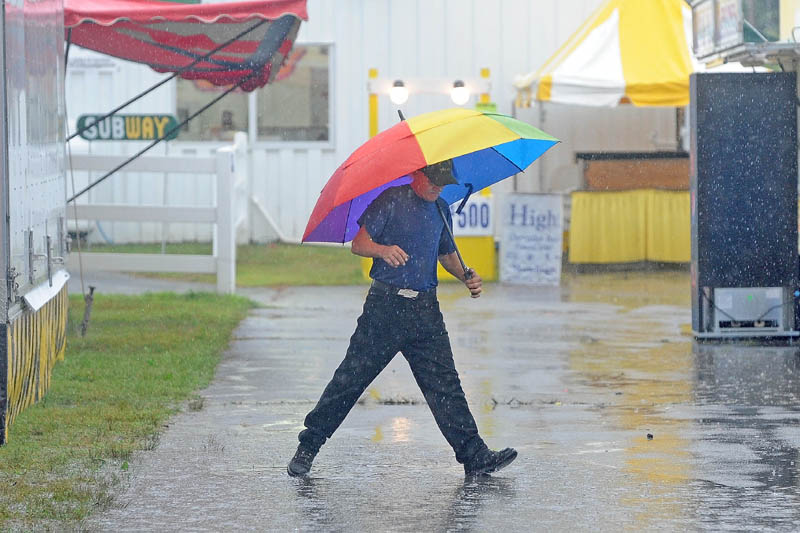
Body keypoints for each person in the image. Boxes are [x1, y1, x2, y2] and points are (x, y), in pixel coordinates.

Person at [287, 159, 517, 477]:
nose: (438, 186)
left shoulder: (440, 209)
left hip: (426, 312)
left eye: (443, 182)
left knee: (445, 386)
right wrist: (382, 250)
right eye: (433, 179)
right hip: (385, 309)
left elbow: (446, 253)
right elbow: (359, 244)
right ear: (416, 174)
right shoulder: (391, 200)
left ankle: (474, 456)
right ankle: (308, 447)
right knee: (350, 380)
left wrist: (465, 275)